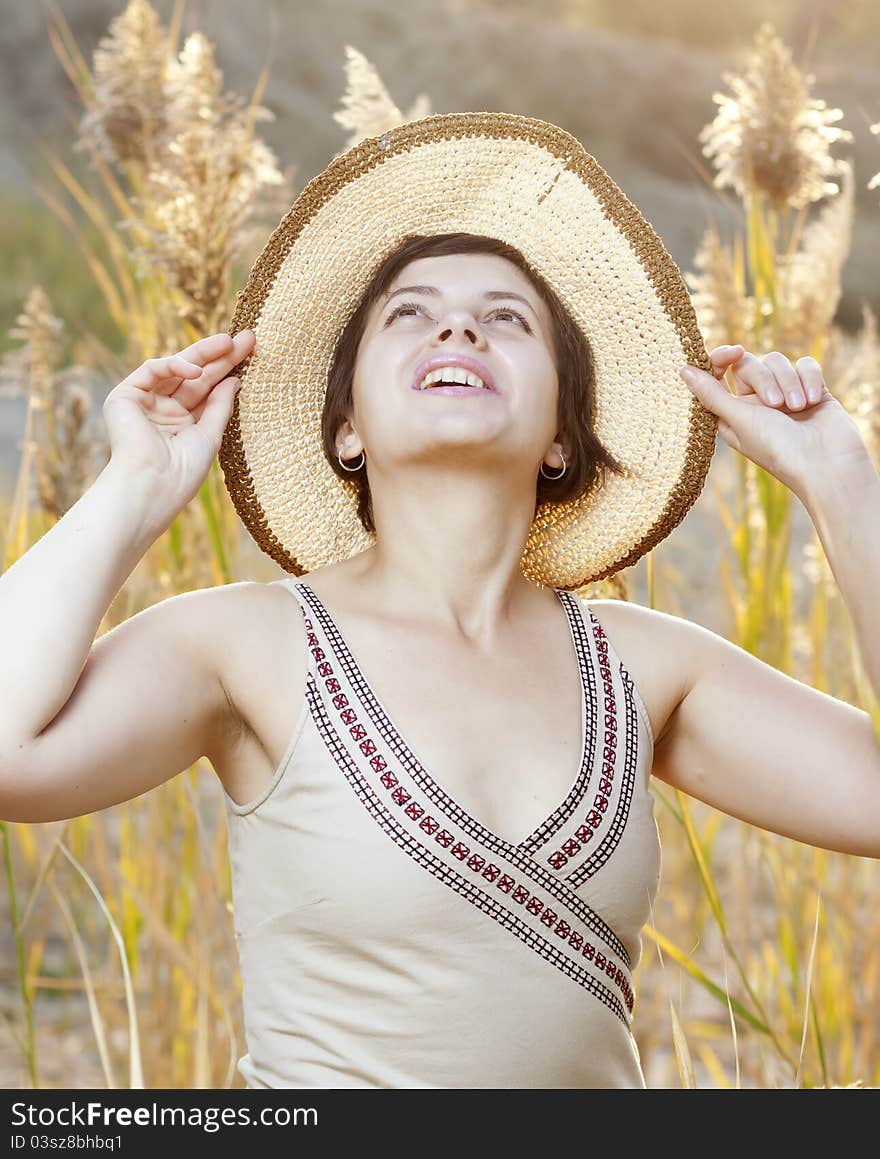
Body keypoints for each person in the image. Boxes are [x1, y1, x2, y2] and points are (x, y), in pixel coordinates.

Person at [1, 112, 878, 1090]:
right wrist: (136, 487)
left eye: (507, 317)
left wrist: (843, 486)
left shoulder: (643, 668)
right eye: (407, 313)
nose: (458, 325)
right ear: (346, 430)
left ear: (559, 433)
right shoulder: (243, 644)